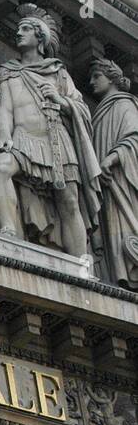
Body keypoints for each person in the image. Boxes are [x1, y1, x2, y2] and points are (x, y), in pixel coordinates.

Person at [0, 4, 102, 259]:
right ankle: (8, 230)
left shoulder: (57, 72)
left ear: (40, 37)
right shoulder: (9, 71)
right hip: (22, 138)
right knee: (0, 167)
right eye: (19, 29)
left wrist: (61, 100)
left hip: (55, 138)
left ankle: (80, 262)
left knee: (69, 200)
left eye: (26, 29)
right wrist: (4, 135)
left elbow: (83, 111)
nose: (19, 33)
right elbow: (5, 108)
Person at [88, 59, 138, 287]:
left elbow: (134, 138)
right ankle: (121, 274)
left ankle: (130, 269)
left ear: (111, 77)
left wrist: (111, 158)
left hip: (122, 179)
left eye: (96, 76)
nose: (91, 82)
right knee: (112, 226)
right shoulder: (101, 111)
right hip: (107, 182)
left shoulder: (124, 104)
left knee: (124, 224)